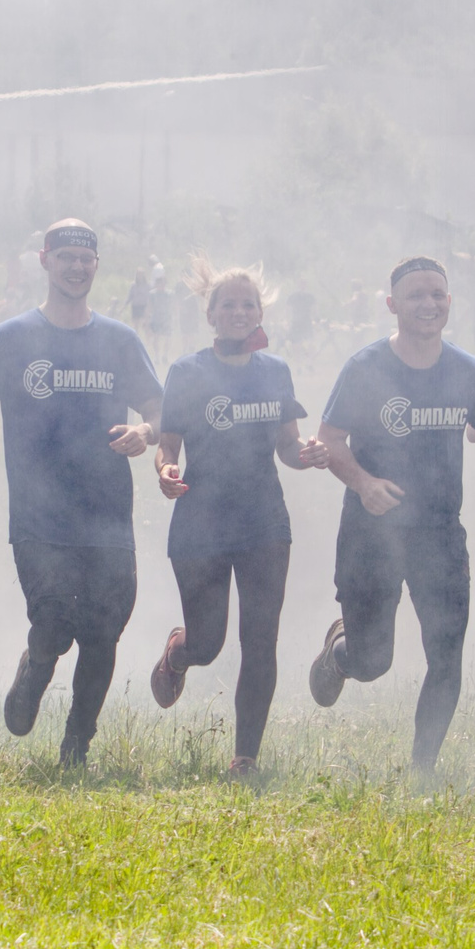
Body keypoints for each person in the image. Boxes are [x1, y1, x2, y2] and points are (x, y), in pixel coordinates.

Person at [0, 218, 164, 769]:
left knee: (102, 632)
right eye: (66, 257)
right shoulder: (11, 338)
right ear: (45, 262)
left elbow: (158, 409)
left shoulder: (120, 340)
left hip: (107, 514)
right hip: (39, 516)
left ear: (96, 265)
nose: (77, 267)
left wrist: (146, 432)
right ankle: (36, 668)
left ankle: (77, 745)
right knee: (52, 622)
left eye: (86, 258)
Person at [308, 256, 475, 773]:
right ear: (392, 305)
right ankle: (341, 651)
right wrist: (363, 483)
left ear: (449, 301)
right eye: (416, 295)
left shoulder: (470, 372)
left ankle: (422, 770)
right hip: (369, 533)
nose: (429, 304)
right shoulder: (365, 368)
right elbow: (330, 441)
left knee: (446, 657)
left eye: (438, 294)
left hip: (439, 537)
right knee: (372, 662)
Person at [146, 262, 327, 778]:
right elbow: (167, 447)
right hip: (200, 522)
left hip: (264, 522)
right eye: (229, 304)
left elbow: (288, 447)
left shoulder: (275, 371)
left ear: (260, 314)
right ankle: (179, 655)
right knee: (209, 642)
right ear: (211, 314)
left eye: (248, 305)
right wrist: (166, 471)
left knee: (260, 638)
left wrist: (307, 454)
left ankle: (245, 757)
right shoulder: (188, 371)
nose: (239, 312)